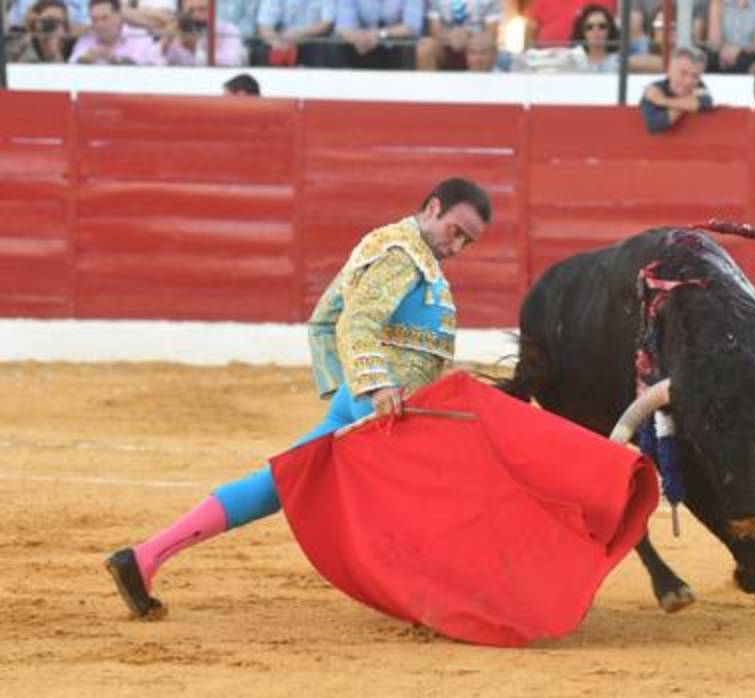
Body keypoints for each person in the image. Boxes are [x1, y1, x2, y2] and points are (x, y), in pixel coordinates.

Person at [104, 178, 493, 620]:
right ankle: (450, 598)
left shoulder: (394, 247)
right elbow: (356, 323)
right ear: (433, 207)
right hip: (382, 408)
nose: (458, 246)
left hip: (363, 402)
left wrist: (348, 388)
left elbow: (326, 317)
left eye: (468, 241)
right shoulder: (403, 257)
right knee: (444, 489)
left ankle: (144, 558)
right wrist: (377, 386)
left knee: (277, 484)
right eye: (455, 231)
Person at [639, 46, 715, 134]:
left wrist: (663, 101)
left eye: (695, 76)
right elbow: (655, 125)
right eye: (683, 73)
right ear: (669, 71)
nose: (688, 81)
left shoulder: (699, 85)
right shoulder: (655, 89)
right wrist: (688, 103)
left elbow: (706, 103)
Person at [69, 0, 165, 65]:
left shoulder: (139, 37)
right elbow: (70, 72)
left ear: (119, 16)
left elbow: (156, 70)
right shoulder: (86, 39)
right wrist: (84, 61)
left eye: (104, 18)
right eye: (95, 20)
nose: (99, 25)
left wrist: (114, 59)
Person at [161, 0, 247, 66]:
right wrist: (164, 44)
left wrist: (195, 49)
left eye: (202, 10)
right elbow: (158, 64)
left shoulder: (228, 30)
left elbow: (229, 62)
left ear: (213, 10)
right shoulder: (177, 33)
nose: (196, 15)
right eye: (191, 11)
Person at [6, 0, 76, 62]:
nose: (53, 25)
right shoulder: (23, 46)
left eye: (57, 21)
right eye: (48, 21)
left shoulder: (73, 47)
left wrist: (55, 52)